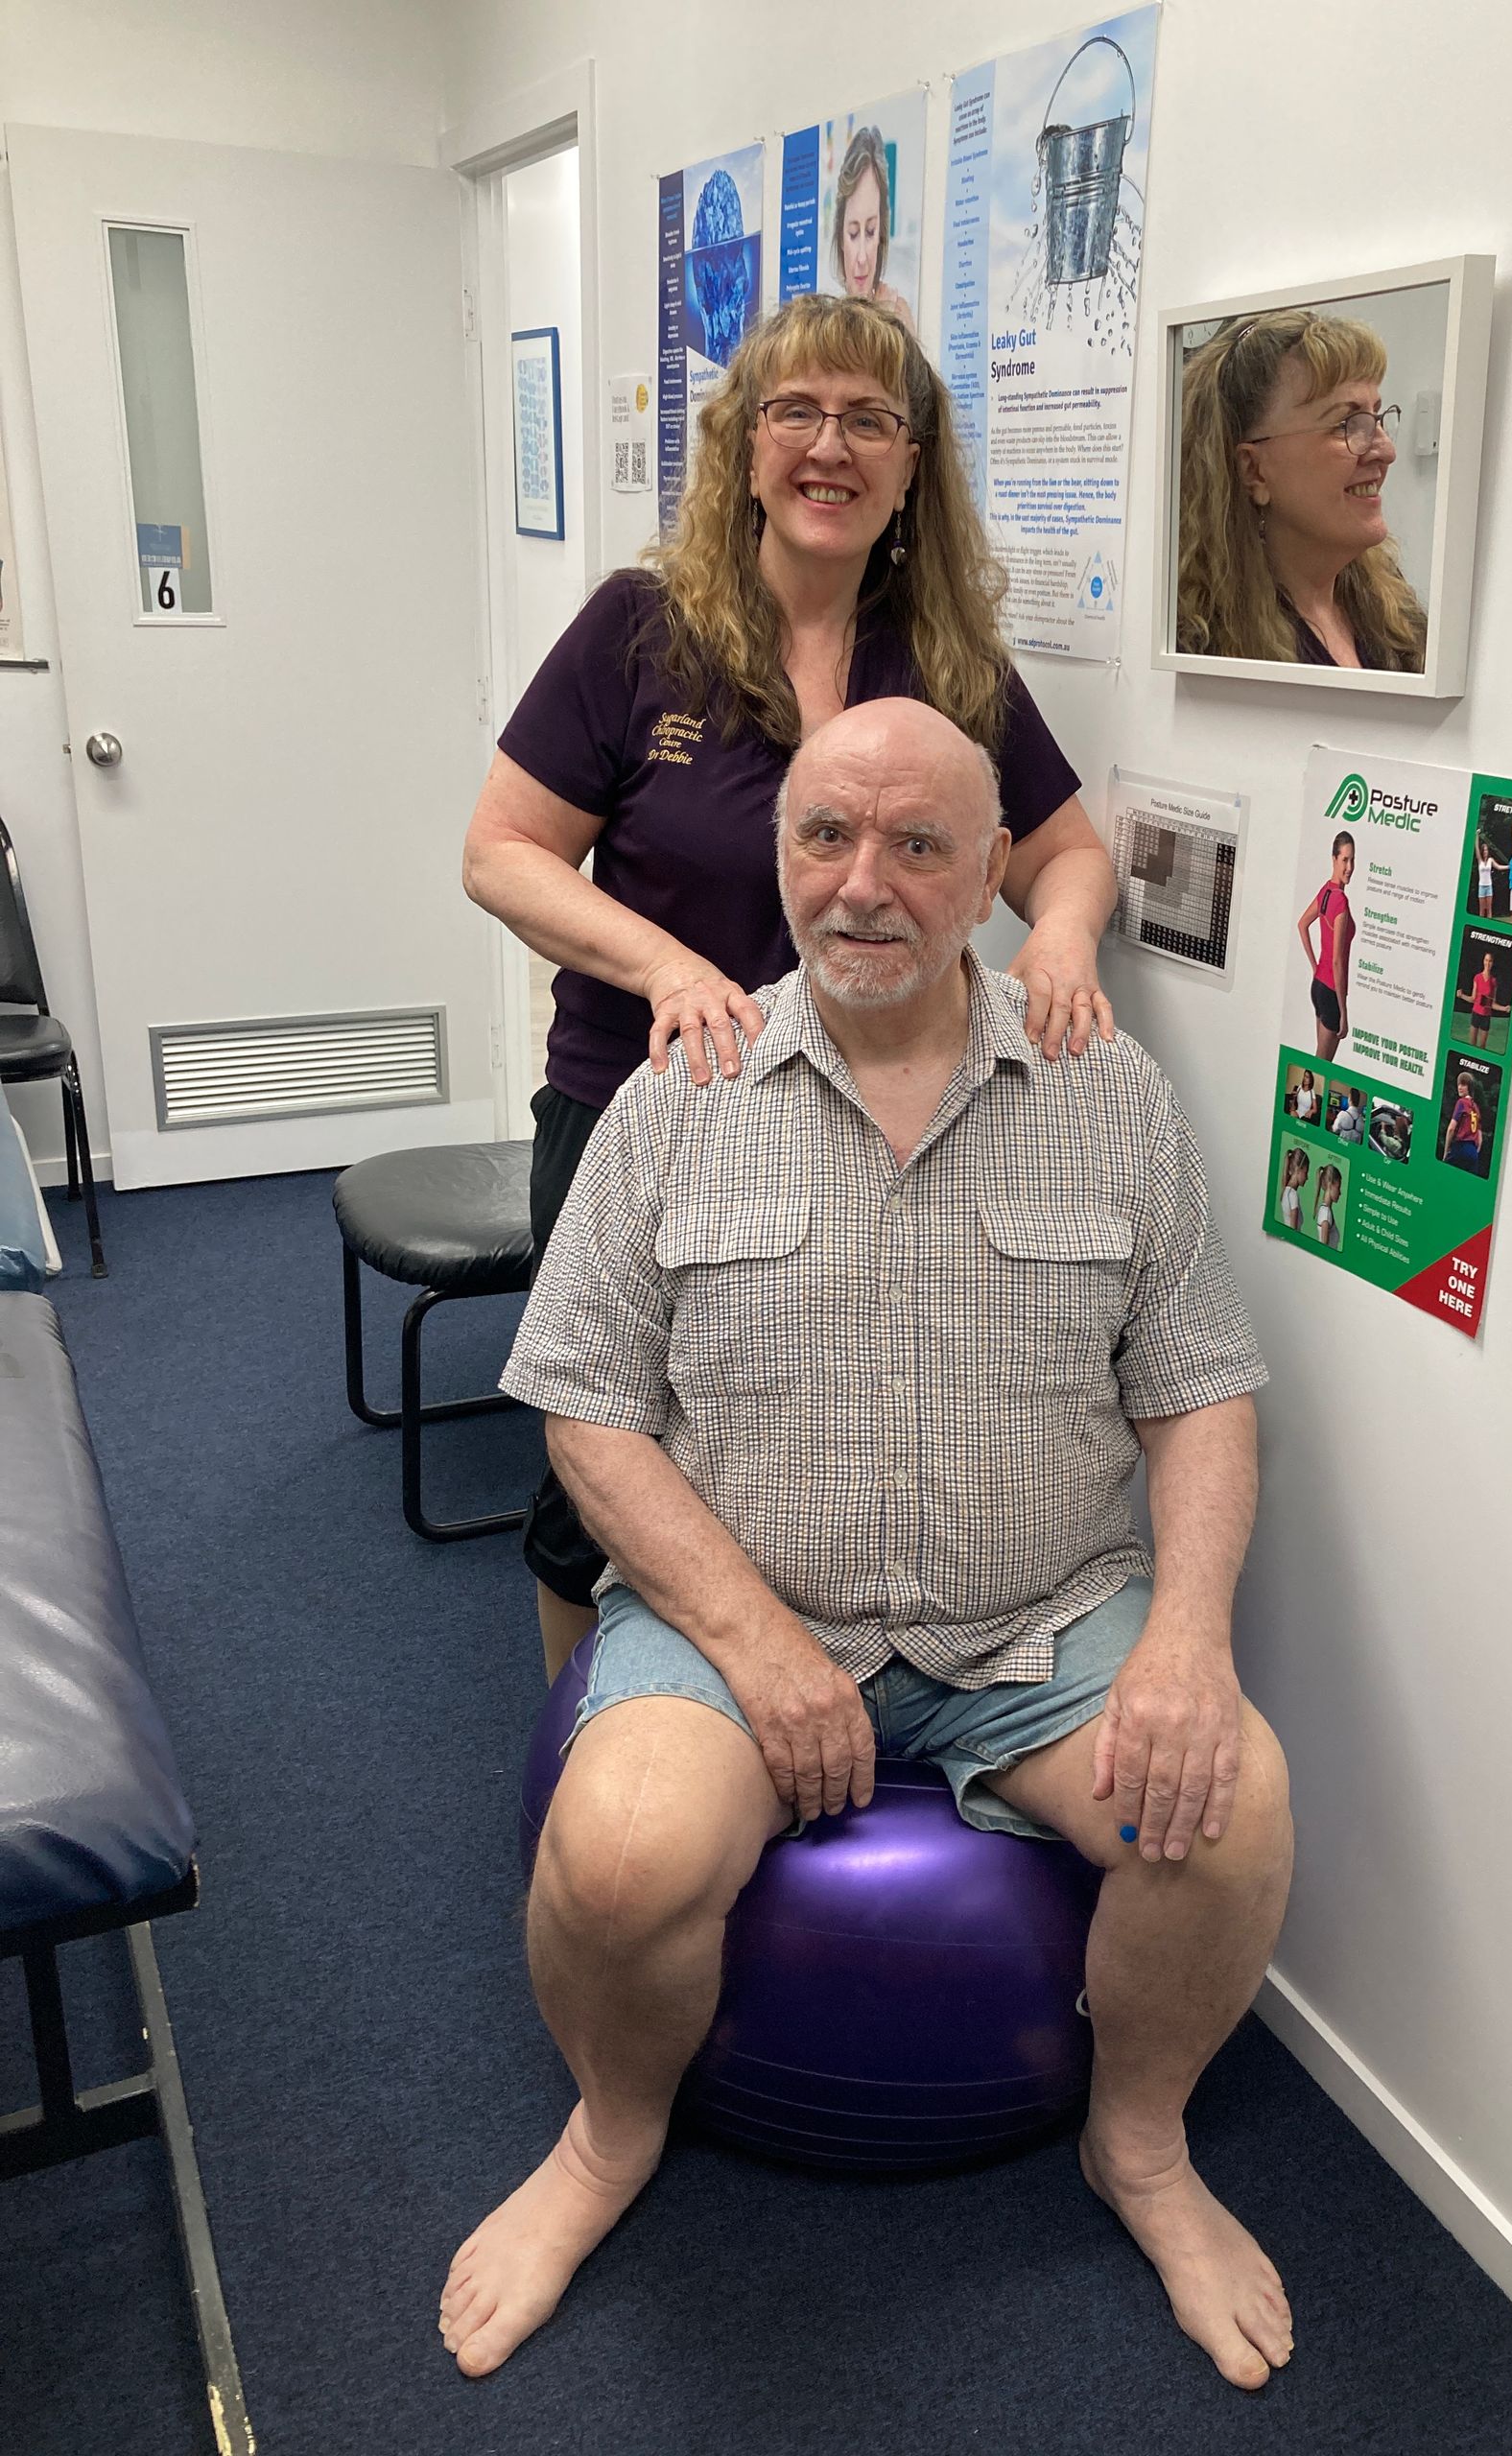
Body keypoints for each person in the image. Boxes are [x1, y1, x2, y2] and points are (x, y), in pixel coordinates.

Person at [440, 700, 1294, 2395]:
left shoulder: (1105, 1097)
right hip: (744, 1614)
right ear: (779, 858)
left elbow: (1199, 1394)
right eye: (827, 837)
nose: (866, 884)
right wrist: (756, 1645)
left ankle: (1138, 2146)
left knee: (1237, 1809)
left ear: (994, 870)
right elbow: (586, 1416)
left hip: (1037, 1627)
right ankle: (612, 2139)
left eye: (919, 845)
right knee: (617, 1852)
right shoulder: (678, 1091)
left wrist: (1192, 1637)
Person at [461, 295, 1120, 1678]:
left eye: (871, 419)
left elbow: (1063, 858)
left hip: (884, 1122)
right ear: (744, 444)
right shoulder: (641, 631)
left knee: (814, 1444)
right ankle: (592, 1744)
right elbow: (502, 853)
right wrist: (671, 966)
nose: (832, 446)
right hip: (650, 1109)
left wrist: (1058, 939)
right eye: (797, 412)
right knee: (606, 1476)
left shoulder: (944, 662)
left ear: (910, 465)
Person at [1175, 309, 1428, 670]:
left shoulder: (1392, 616)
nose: (1386, 452)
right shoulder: (1199, 646)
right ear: (1254, 469)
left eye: (1377, 417)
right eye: (1346, 424)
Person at [832, 125, 913, 330]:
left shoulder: (899, 313)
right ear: (840, 237)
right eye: (852, 233)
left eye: (870, 232)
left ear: (881, 235)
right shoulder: (827, 326)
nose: (861, 258)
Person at [1296, 832, 1355, 1062]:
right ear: (1334, 859)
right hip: (1330, 992)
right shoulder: (1339, 900)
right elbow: (1338, 961)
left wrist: (1314, 966)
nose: (1349, 867)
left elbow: (1302, 924)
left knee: (1319, 1062)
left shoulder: (1326, 891)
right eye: (1344, 860)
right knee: (1322, 1067)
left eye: (1352, 860)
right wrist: (1344, 1011)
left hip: (1318, 986)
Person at [1443, 1072, 1484, 1172]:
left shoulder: (1461, 1102)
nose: (1460, 1087)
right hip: (1473, 1152)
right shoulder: (1476, 1107)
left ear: (1469, 1087)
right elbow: (1480, 1137)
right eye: (1459, 1084)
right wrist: (1475, 1151)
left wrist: (1446, 1151)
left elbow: (1451, 1128)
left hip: (1460, 1147)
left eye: (1463, 1084)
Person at [1467, 950, 1506, 1050]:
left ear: (1492, 963)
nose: (1488, 963)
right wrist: (1461, 995)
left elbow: (1492, 1004)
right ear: (1483, 961)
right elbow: (1473, 998)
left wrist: (1504, 1008)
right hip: (1476, 1013)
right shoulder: (1477, 978)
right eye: (1486, 960)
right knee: (1472, 1044)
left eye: (1490, 961)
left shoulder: (1493, 981)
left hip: (1486, 1017)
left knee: (1482, 1046)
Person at [1278, 1145, 1310, 1228]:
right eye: (1306, 1172)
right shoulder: (1293, 1195)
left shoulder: (1286, 1191)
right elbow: (1293, 1230)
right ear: (1299, 1170)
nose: (1307, 1178)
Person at [1313, 1163, 1342, 1249]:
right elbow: (1324, 1248)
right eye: (1338, 1187)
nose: (1340, 1193)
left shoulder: (1324, 1210)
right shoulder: (1326, 1214)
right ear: (1330, 1185)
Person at [1474, 824, 1497, 921]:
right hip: (1482, 886)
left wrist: (1509, 867)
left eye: (1487, 850)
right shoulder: (1480, 861)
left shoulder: (1490, 860)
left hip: (1489, 886)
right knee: (1482, 910)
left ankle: (1489, 926)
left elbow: (1498, 866)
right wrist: (1477, 836)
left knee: (1489, 909)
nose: (1485, 851)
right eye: (1484, 850)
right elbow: (1476, 848)